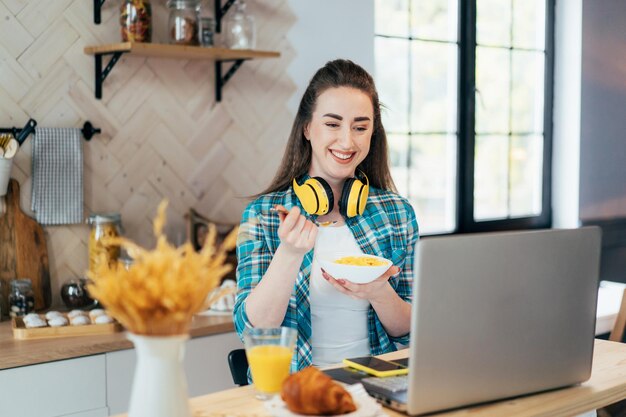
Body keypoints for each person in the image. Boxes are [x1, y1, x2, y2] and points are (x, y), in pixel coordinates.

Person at [234, 59, 419, 372]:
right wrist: (290, 253)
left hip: (379, 384)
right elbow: (253, 331)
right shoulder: (264, 215)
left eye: (360, 127)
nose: (347, 141)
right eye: (332, 124)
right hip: (296, 389)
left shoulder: (397, 214)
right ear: (307, 128)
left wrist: (378, 290)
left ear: (373, 132)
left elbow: (410, 330)